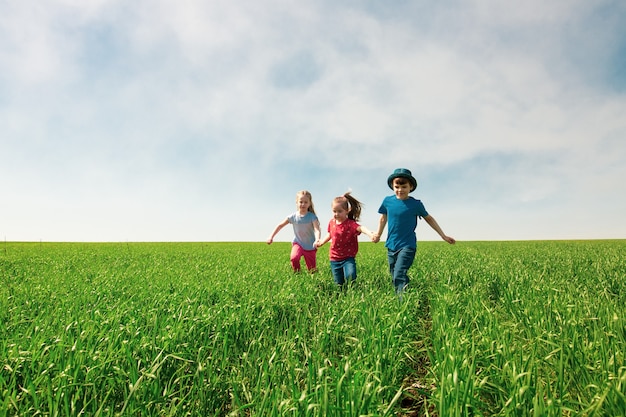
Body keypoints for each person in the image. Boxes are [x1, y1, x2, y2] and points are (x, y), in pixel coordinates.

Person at [372, 168, 455, 294]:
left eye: (404, 186)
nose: (400, 190)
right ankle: (400, 295)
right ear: (392, 186)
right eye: (397, 186)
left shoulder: (416, 204)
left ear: (411, 187)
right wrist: (378, 234)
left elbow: (429, 219)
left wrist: (443, 235)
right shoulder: (387, 201)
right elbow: (383, 218)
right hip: (391, 245)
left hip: (407, 245)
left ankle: (402, 302)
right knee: (394, 274)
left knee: (399, 273)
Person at [315, 192, 375, 287]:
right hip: (334, 258)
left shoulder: (350, 224)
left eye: (339, 211)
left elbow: (361, 228)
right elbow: (330, 234)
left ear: (347, 211)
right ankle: (341, 294)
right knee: (338, 283)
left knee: (350, 276)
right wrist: (322, 242)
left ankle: (353, 290)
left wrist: (370, 233)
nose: (336, 214)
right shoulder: (331, 222)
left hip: (348, 258)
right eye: (334, 211)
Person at [267, 190, 321, 273]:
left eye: (306, 202)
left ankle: (314, 281)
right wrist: (271, 236)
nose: (303, 204)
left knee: (312, 270)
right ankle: (297, 274)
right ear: (296, 202)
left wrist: (317, 239)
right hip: (298, 243)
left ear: (309, 203)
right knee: (294, 258)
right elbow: (280, 225)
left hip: (310, 245)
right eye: (301, 202)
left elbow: (317, 229)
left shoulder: (312, 217)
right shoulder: (293, 217)